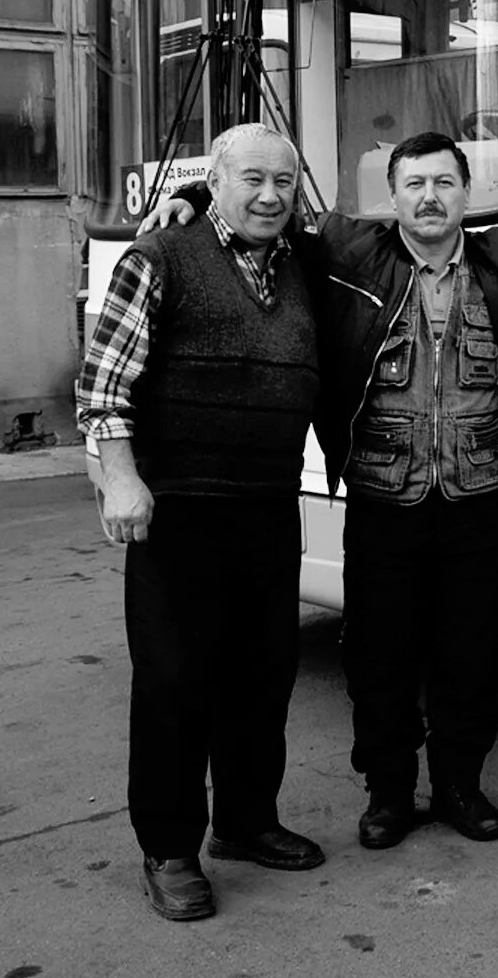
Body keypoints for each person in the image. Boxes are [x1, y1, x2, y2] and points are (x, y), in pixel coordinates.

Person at [145, 131, 498, 853]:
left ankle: (459, 784)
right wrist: (194, 197)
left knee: (471, 653)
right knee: (379, 657)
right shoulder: (345, 252)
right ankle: (388, 793)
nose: (429, 196)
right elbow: (263, 205)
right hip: (379, 496)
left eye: (444, 182)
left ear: (467, 193)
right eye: (414, 183)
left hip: (474, 498)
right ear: (390, 198)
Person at [77, 123, 325, 922]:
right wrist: (120, 479)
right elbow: (103, 387)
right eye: (250, 178)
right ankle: (170, 849)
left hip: (266, 507)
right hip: (177, 514)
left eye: (283, 181)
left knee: (263, 677)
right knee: (175, 686)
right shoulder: (159, 257)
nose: (269, 195)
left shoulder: (302, 261)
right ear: (213, 181)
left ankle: (245, 823)